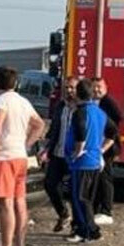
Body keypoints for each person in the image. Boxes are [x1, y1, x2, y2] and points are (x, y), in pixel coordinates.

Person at [0, 67, 45, 246]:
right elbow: (39, 124)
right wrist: (26, 143)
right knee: (20, 202)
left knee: (5, 204)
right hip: (20, 156)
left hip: (4, 156)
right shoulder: (23, 101)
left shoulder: (1, 101)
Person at [65, 79, 109, 243]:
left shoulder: (81, 112)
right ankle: (87, 230)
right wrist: (101, 150)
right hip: (94, 161)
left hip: (82, 162)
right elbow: (112, 132)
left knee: (80, 198)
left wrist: (77, 151)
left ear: (78, 93)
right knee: (87, 198)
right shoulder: (100, 112)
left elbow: (81, 131)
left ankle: (90, 231)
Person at [42, 76, 78, 233]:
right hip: (58, 152)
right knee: (50, 184)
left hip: (73, 155)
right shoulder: (60, 106)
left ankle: (76, 225)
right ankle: (63, 214)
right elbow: (54, 128)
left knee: (74, 191)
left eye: (72, 87)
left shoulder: (81, 108)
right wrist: (46, 147)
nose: (68, 91)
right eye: (66, 88)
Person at [92, 77, 122, 226]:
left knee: (105, 179)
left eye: (100, 87)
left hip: (107, 147)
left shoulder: (108, 102)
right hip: (97, 145)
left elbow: (118, 118)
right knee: (97, 179)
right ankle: (97, 209)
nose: (97, 90)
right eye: (94, 87)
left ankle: (106, 211)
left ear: (105, 87)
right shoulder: (93, 102)